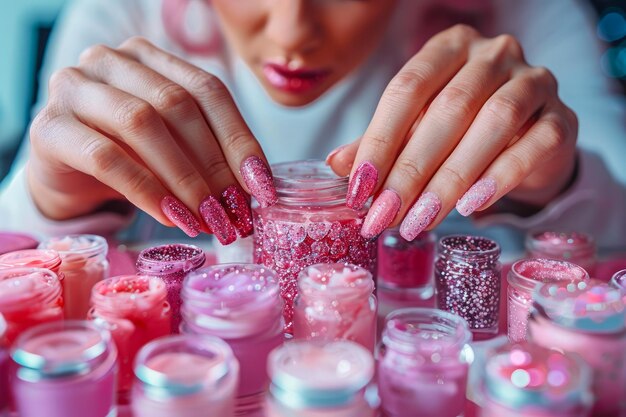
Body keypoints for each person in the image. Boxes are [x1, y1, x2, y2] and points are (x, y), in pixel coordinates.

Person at [0, 0, 624, 254]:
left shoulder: (530, 18)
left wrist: (555, 180)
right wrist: (51, 198)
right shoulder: (116, 15)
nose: (294, 32)